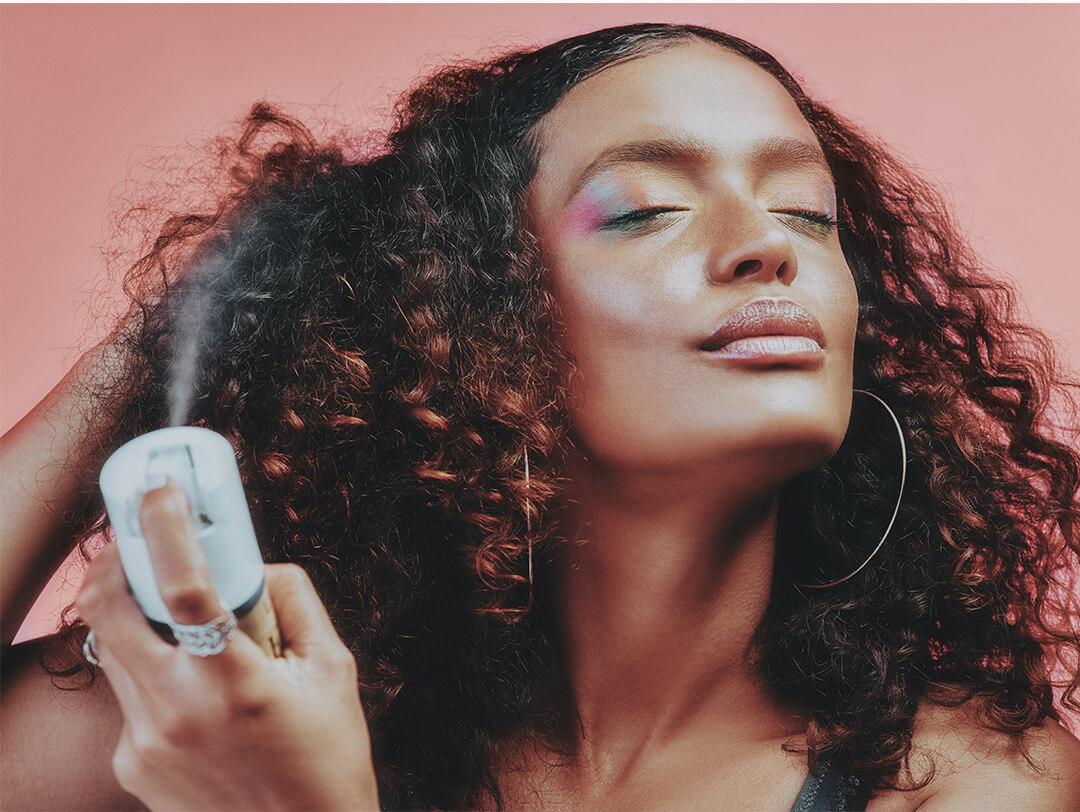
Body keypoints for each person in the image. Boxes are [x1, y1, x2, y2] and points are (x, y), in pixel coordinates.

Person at [3, 21, 1079, 811]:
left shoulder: (970, 781)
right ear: (479, 321)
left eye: (809, 212)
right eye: (646, 209)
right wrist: (155, 346)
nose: (770, 245)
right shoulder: (285, 703)